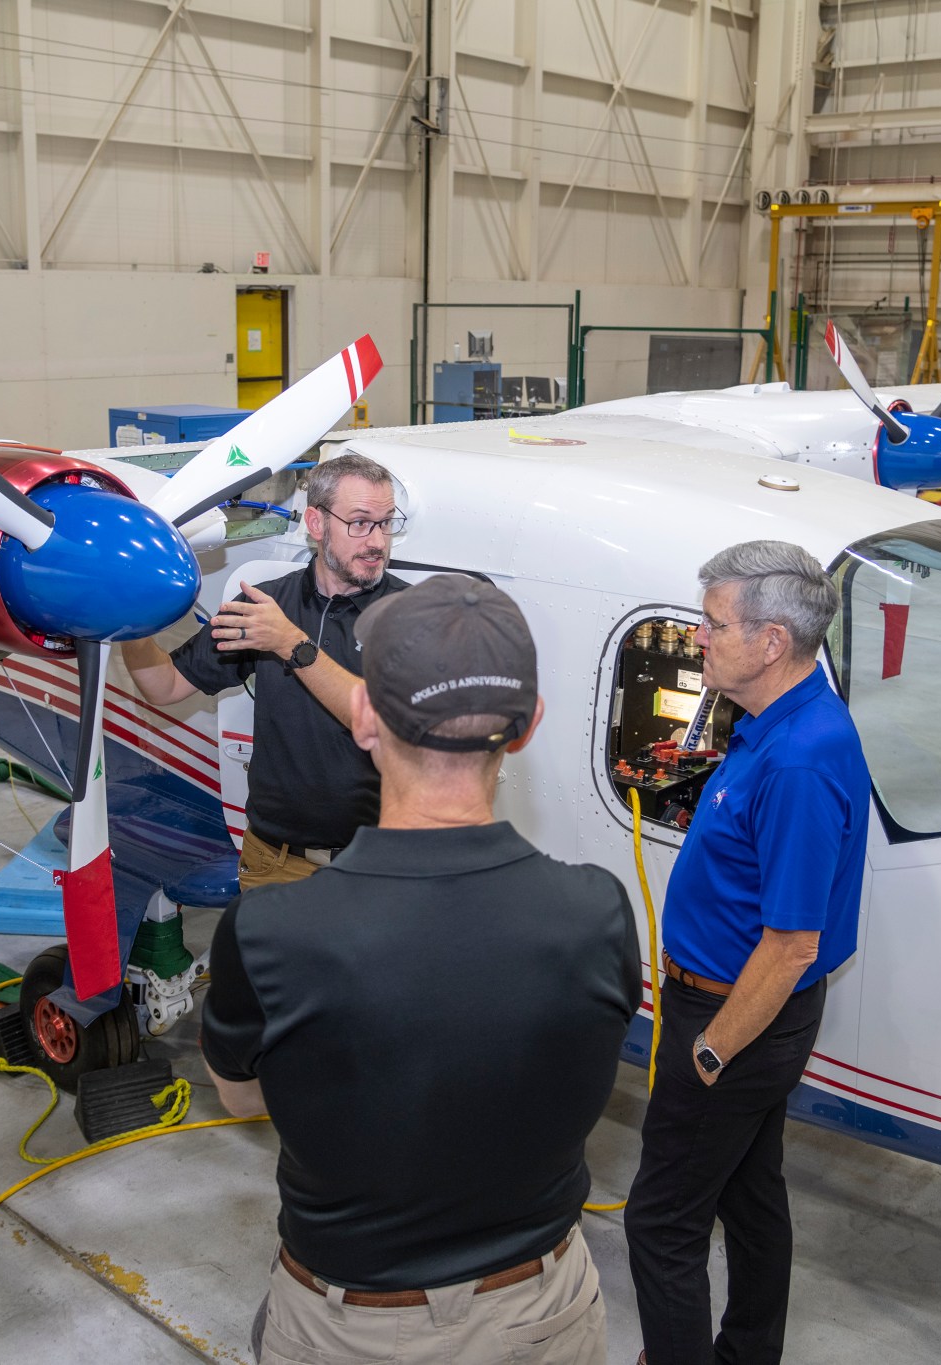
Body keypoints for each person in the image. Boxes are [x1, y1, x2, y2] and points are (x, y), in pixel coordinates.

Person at [198, 574, 640, 1365]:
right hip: (544, 1314)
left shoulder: (271, 932)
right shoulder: (598, 911)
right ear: (529, 725)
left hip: (354, 1325)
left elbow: (241, 1092)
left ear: (364, 715)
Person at [624, 540, 871, 1365]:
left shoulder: (799, 759)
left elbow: (793, 942)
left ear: (771, 642)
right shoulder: (781, 719)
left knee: (662, 1220)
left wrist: (710, 1048)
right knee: (750, 1191)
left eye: (713, 622)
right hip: (748, 1012)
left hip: (736, 1015)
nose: (699, 636)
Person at [119, 452, 409, 890]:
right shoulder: (264, 608)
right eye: (360, 522)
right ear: (316, 524)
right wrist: (126, 621)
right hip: (275, 864)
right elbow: (165, 685)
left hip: (380, 869)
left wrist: (289, 643)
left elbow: (381, 722)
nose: (377, 541)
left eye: (386, 522)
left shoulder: (413, 616)